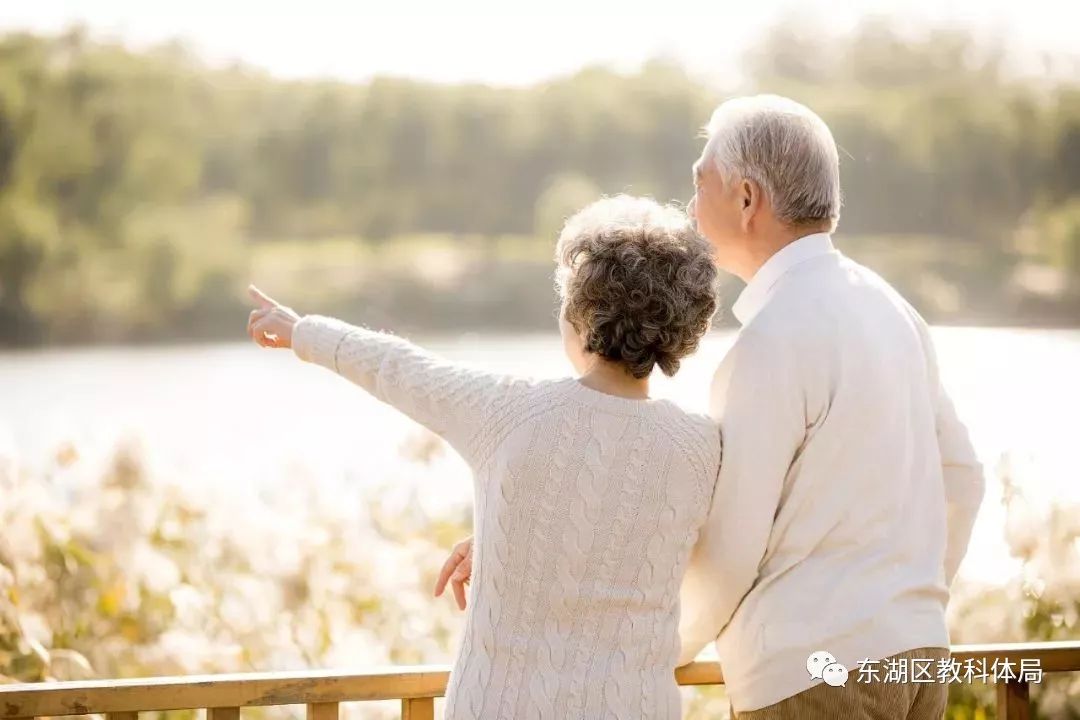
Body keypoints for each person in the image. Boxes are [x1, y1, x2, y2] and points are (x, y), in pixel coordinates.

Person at [438, 96, 987, 720]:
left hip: (810, 676)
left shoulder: (773, 342)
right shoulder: (894, 310)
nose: (690, 207)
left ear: (747, 199)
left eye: (700, 183)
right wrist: (907, 610)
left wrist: (647, 656)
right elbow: (964, 480)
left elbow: (729, 552)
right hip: (919, 658)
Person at [246, 195, 723, 719]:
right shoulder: (701, 448)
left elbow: (398, 367)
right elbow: (657, 541)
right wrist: (503, 533)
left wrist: (301, 331)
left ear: (581, 314)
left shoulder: (506, 411)